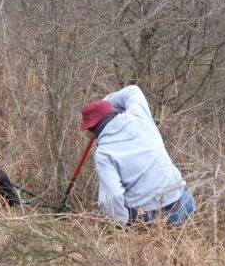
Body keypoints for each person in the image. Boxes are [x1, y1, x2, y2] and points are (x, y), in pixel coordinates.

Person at [80, 85, 194, 227]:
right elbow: (133, 90)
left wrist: (121, 224)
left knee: (123, 210)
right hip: (183, 207)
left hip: (146, 218)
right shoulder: (139, 117)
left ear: (92, 129)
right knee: (184, 197)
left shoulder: (103, 153)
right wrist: (105, 103)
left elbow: (112, 197)